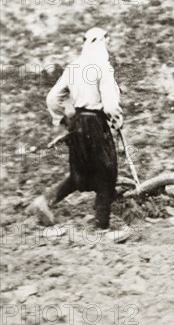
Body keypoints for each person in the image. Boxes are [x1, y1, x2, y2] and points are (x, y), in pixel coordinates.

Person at [28, 27, 123, 229]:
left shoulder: (73, 67)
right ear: (104, 42)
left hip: (77, 123)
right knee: (107, 173)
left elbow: (52, 98)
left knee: (79, 172)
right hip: (97, 124)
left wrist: (63, 120)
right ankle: (101, 227)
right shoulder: (103, 68)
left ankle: (44, 201)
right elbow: (111, 106)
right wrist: (116, 120)